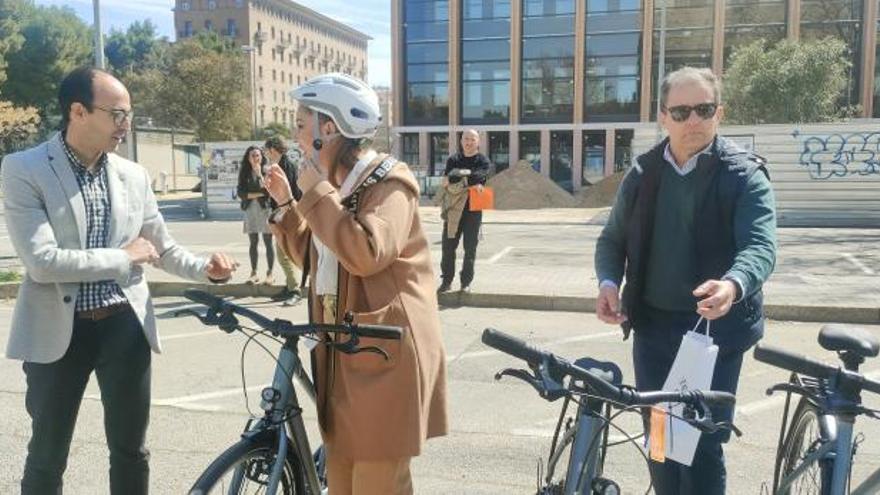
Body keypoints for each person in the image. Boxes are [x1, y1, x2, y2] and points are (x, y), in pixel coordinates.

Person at [1, 66, 237, 495]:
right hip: (58, 334)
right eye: (118, 114)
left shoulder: (133, 175)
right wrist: (121, 258)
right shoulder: (24, 169)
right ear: (78, 111)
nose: (126, 124)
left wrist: (206, 269)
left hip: (124, 328)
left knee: (131, 451)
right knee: (47, 456)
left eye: (129, 114)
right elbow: (42, 262)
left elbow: (160, 248)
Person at [593, 67, 776, 494]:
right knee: (660, 440)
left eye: (703, 109)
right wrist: (607, 281)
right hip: (655, 329)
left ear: (719, 113)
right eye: (681, 111)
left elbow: (760, 245)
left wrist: (732, 284)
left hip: (715, 333)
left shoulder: (744, 175)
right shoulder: (642, 173)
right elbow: (612, 238)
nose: (692, 120)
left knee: (700, 445)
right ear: (663, 117)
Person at [264, 73, 447, 495]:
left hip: (384, 356)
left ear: (327, 129)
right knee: (342, 481)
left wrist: (314, 194)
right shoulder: (337, 188)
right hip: (344, 353)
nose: (294, 133)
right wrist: (289, 205)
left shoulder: (389, 183)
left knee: (377, 484)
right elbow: (318, 256)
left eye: (300, 123)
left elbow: (366, 253)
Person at [437, 129, 491, 294]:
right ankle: (446, 281)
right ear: (461, 141)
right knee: (448, 247)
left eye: (472, 139)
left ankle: (465, 283)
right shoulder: (453, 159)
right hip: (453, 209)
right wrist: (469, 180)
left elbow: (480, 177)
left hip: (473, 209)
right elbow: (448, 179)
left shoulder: (483, 160)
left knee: (470, 248)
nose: (468, 142)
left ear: (478, 142)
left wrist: (459, 177)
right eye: (466, 139)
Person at [263, 135, 304, 306]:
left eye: (266, 150)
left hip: (288, 213)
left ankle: (295, 290)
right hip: (285, 212)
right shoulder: (281, 165)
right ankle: (290, 287)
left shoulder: (285, 167)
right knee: (284, 254)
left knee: (284, 255)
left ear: (272, 149)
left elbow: (293, 193)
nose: (265, 153)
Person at [236, 145, 275, 285]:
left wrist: (259, 175)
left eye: (257, 155)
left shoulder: (267, 171)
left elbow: (268, 191)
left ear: (261, 157)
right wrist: (257, 194)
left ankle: (270, 273)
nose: (255, 158)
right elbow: (241, 193)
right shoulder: (244, 172)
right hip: (250, 210)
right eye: (252, 155)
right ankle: (253, 273)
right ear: (248, 158)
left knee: (268, 242)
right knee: (253, 242)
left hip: (264, 209)